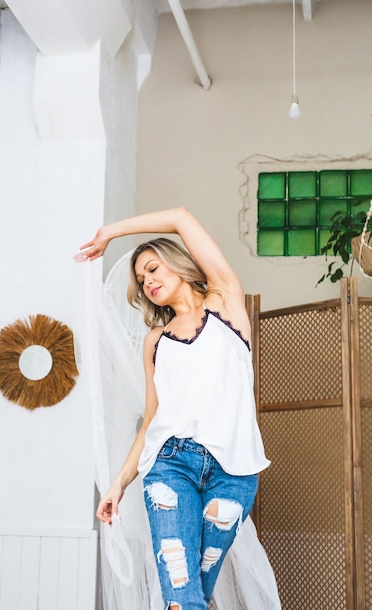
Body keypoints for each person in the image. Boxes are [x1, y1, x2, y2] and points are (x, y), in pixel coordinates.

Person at [74, 207, 270, 610]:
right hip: (170, 466)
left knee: (198, 588)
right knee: (181, 595)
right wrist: (118, 483)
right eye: (141, 280)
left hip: (233, 474)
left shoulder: (225, 304)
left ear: (179, 264)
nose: (147, 282)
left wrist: (111, 232)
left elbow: (181, 217)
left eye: (152, 269)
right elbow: (152, 421)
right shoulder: (155, 342)